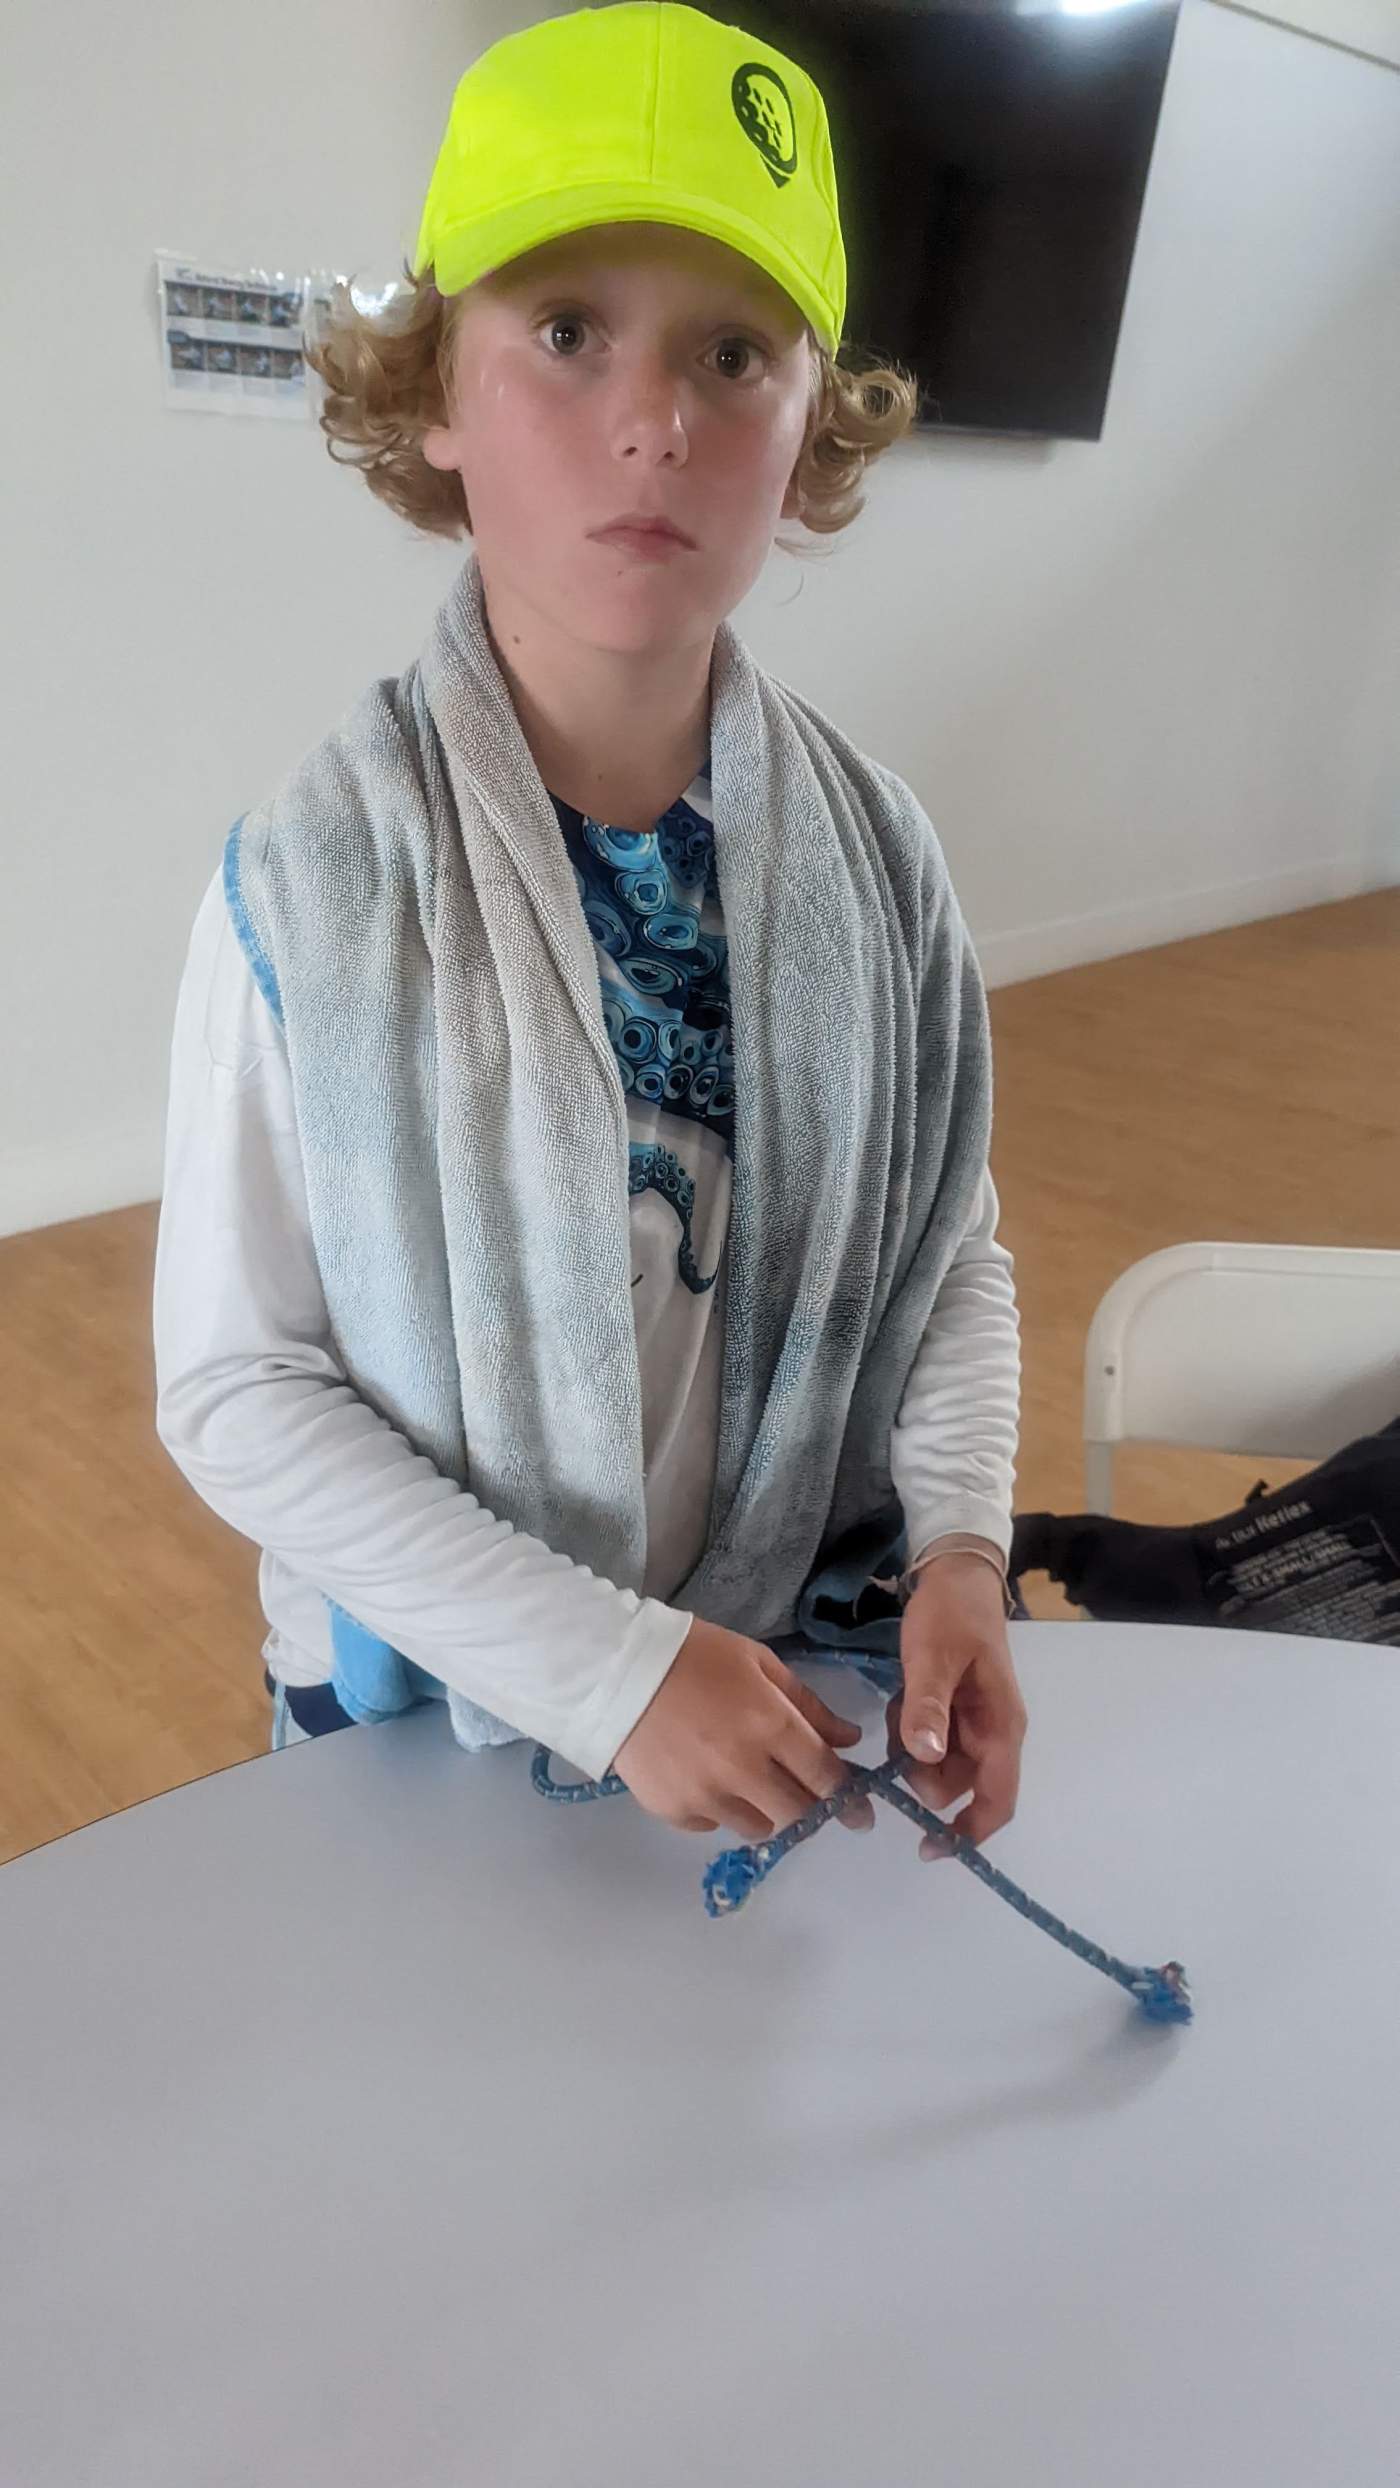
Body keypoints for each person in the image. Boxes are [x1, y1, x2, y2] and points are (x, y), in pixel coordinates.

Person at [154, 2, 1026, 1854]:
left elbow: (945, 1244)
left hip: (793, 1673)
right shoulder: (311, 884)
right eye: (567, 333)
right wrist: (604, 1665)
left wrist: (960, 1538)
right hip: (432, 1700)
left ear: (808, 437)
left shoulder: (880, 865)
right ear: (436, 398)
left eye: (732, 353)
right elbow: (239, 1385)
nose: (655, 423)